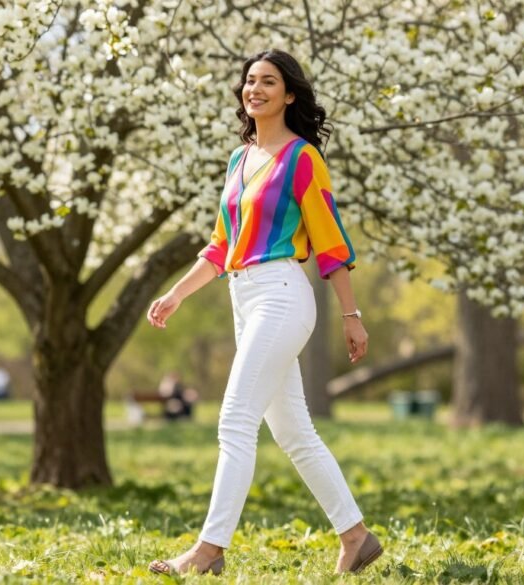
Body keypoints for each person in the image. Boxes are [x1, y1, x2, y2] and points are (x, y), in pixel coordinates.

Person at [146, 49, 380, 576]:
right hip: (243, 297)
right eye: (250, 80)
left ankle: (208, 551)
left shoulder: (302, 159)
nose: (255, 89)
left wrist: (351, 314)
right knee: (294, 432)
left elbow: (330, 241)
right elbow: (219, 246)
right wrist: (177, 293)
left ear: (289, 94)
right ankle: (356, 536)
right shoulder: (238, 159)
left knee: (234, 419)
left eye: (268, 81)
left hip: (282, 292)